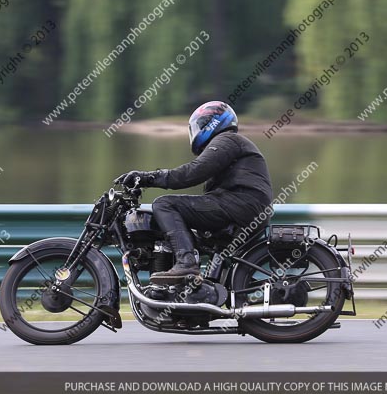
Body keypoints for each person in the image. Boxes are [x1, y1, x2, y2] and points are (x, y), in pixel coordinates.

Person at [115, 101, 272, 283]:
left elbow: (191, 173)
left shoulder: (227, 140)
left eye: (199, 125)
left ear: (212, 122)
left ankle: (186, 263)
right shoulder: (229, 144)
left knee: (164, 204)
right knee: (193, 234)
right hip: (244, 207)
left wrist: (147, 178)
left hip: (240, 205)